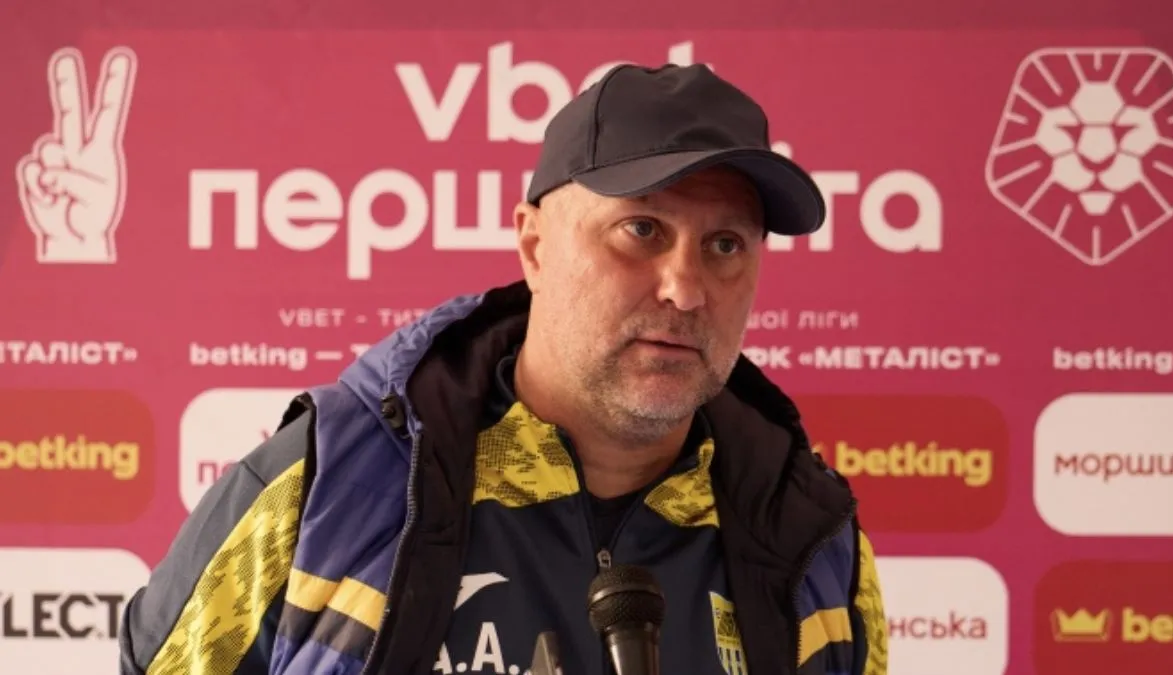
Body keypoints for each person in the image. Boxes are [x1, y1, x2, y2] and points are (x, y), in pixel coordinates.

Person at [118, 62, 888, 675]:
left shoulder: (815, 546)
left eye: (725, 245)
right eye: (642, 229)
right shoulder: (327, 484)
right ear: (534, 246)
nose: (686, 289)